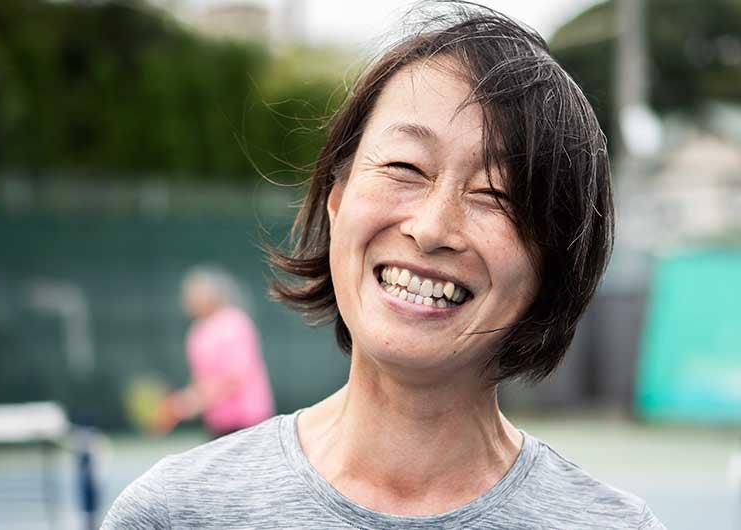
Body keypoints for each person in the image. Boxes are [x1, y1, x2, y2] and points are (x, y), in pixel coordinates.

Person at [104, 3, 665, 528]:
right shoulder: (175, 514)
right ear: (337, 196)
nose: (431, 227)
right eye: (404, 166)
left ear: (554, 263)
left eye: (497, 194)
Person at [151, 266, 274, 439]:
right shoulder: (197, 332)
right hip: (218, 425)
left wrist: (188, 403)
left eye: (195, 293)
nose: (189, 299)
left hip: (247, 423)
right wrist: (181, 405)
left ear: (212, 295)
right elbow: (200, 381)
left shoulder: (235, 323)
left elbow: (234, 378)